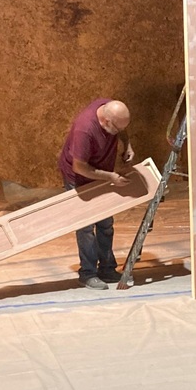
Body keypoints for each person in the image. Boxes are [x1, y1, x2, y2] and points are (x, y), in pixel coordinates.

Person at [58, 98, 135, 289]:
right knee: (86, 228)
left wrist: (128, 145)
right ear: (107, 122)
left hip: (102, 174)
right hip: (79, 177)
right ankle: (88, 273)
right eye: (117, 129)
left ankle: (107, 268)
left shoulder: (110, 109)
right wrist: (110, 177)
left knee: (106, 224)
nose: (119, 133)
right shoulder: (84, 129)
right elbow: (80, 167)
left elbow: (122, 129)